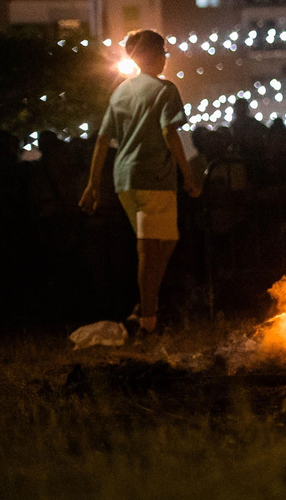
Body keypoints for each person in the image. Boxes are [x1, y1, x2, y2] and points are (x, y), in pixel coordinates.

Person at [78, 30, 202, 336]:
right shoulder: (166, 89)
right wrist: (188, 175)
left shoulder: (120, 91)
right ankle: (147, 320)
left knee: (165, 241)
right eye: (161, 50)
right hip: (155, 177)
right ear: (147, 55)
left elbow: (103, 139)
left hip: (124, 181)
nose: (164, 57)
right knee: (149, 250)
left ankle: (145, 306)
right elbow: (169, 133)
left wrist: (93, 184)